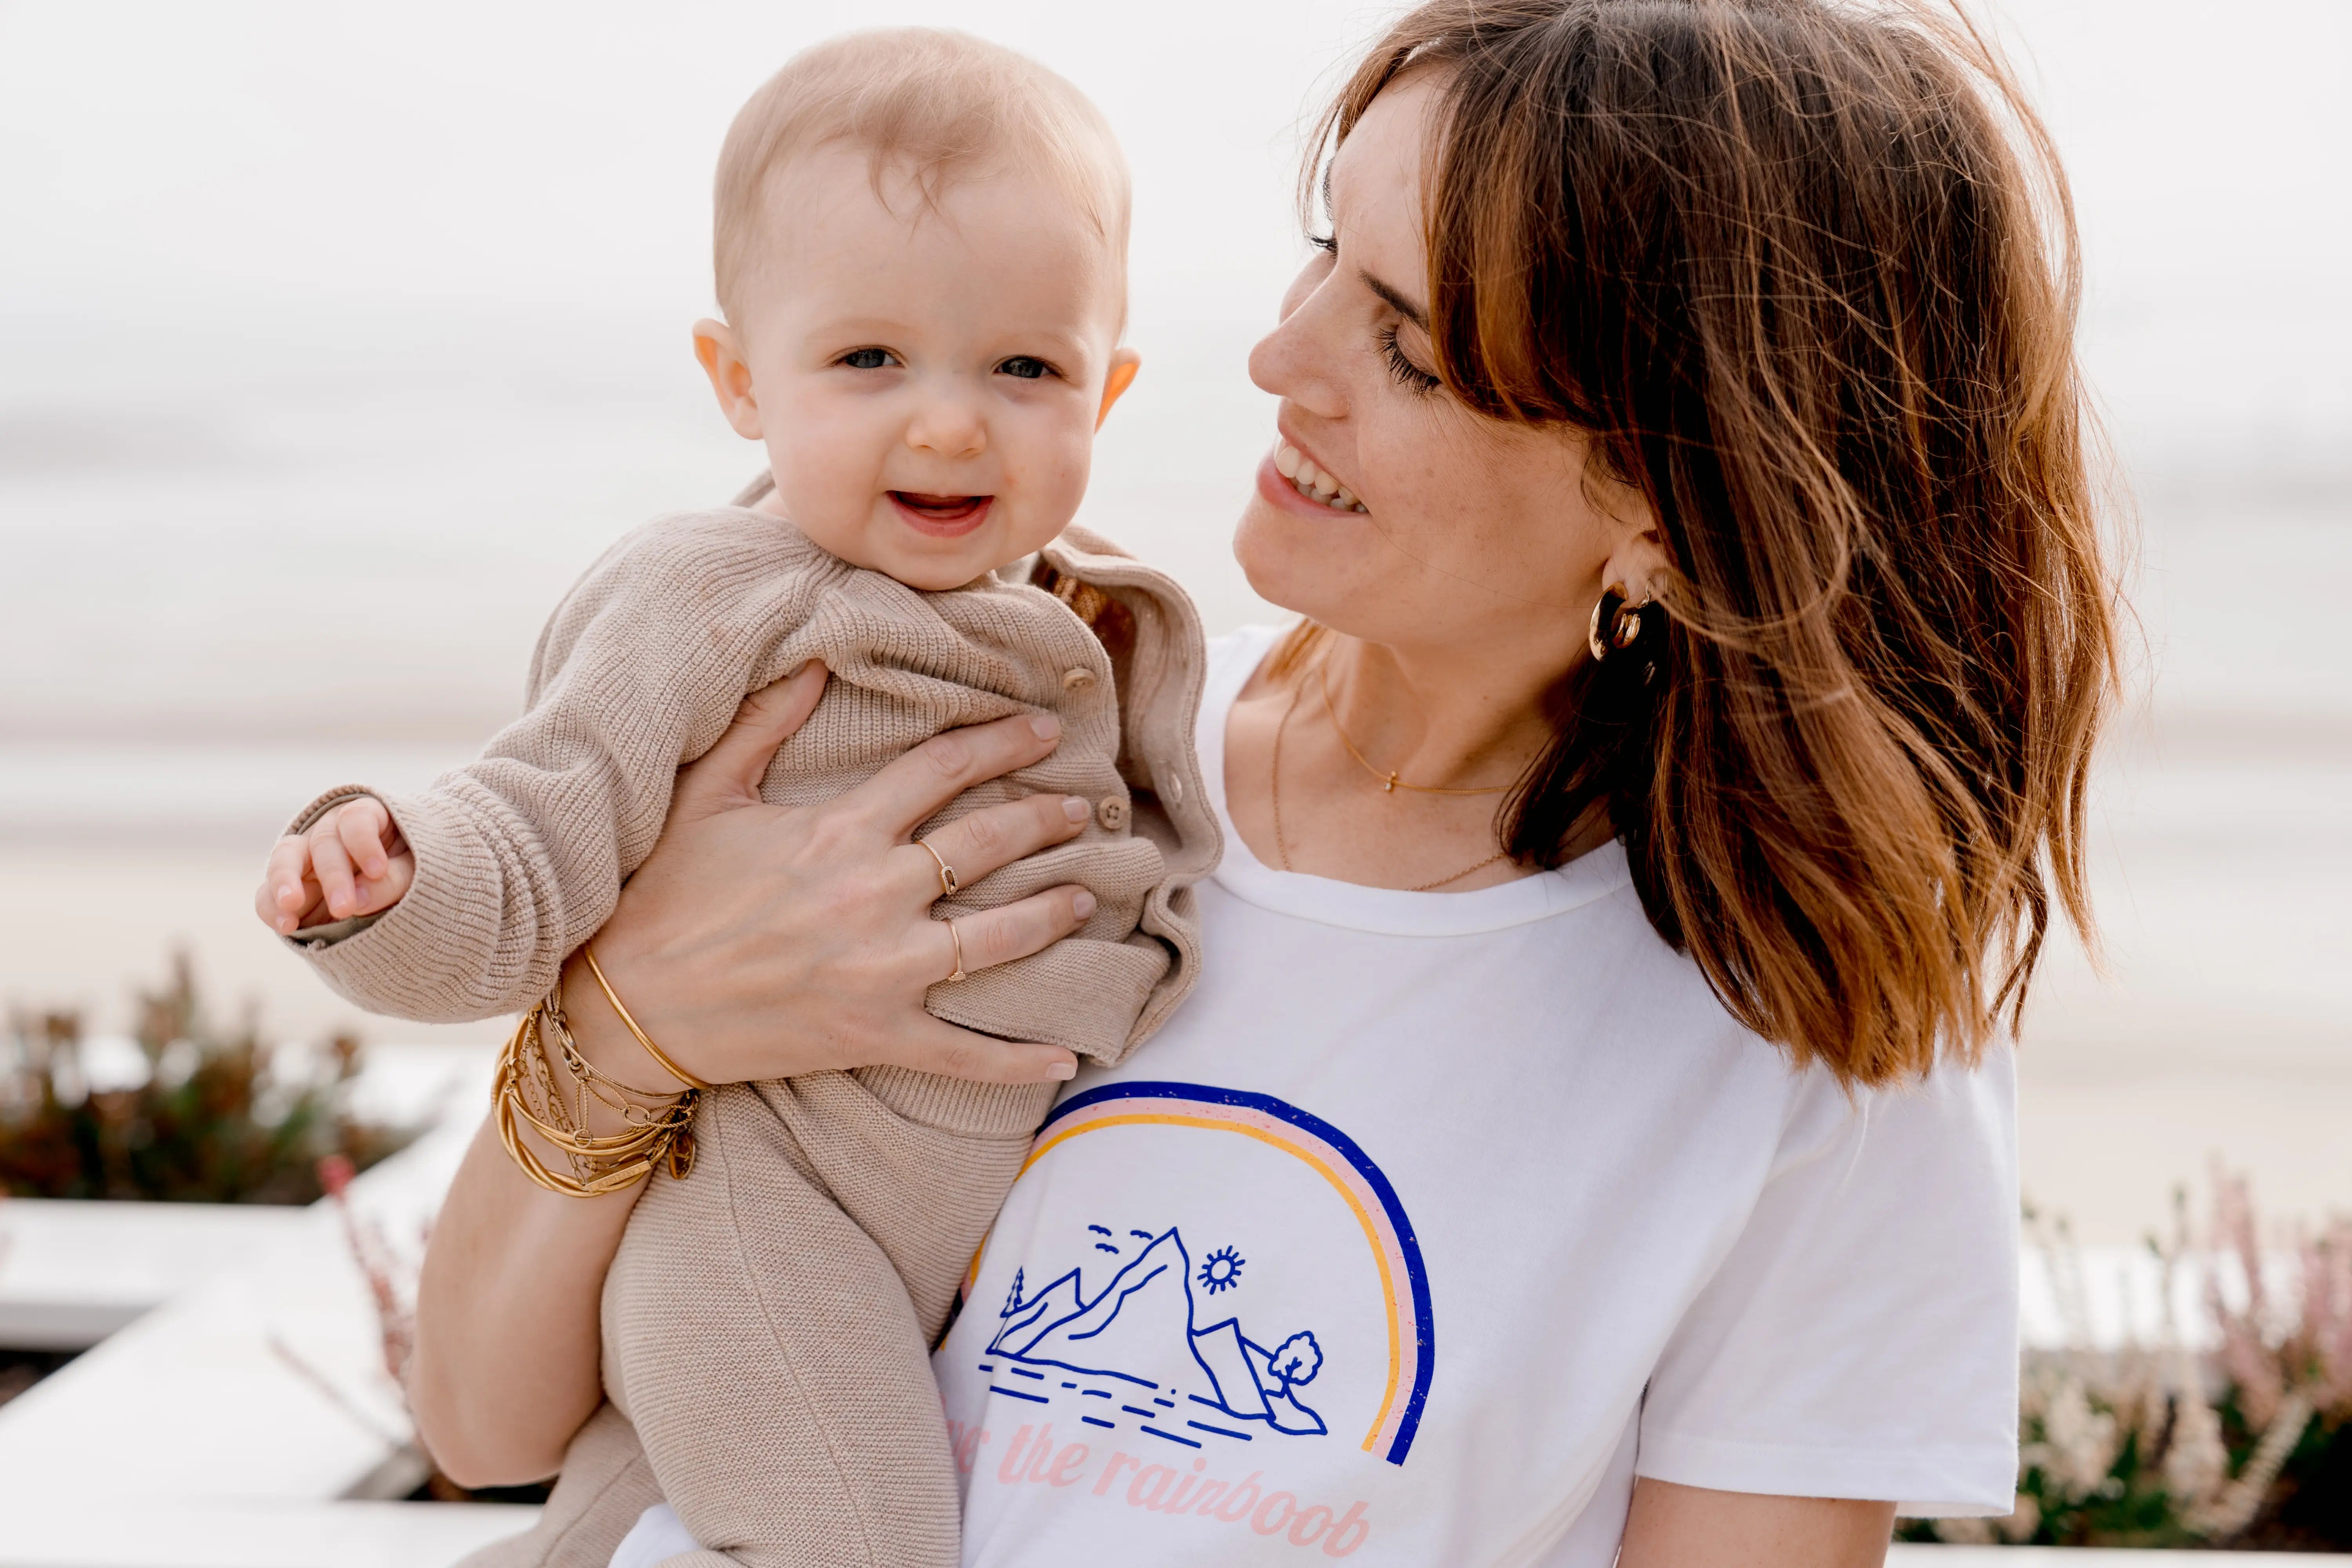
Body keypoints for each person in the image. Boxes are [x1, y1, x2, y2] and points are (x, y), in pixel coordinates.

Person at [410, 1, 2122, 1563]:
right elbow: (486, 1424)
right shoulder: (993, 767)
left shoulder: (1816, 1042)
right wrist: (622, 1031)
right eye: (1325, 255)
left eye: (1412, 349)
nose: (1279, 359)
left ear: (1674, 507)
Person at [250, 29, 1222, 1568]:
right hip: (765, 1216)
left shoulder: (1093, 618)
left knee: (689, 1504)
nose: (952, 421)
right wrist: (388, 879)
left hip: (930, 1229)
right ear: (737, 382)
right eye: (869, 361)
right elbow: (539, 819)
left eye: (1024, 368)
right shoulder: (712, 599)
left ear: (1108, 384)